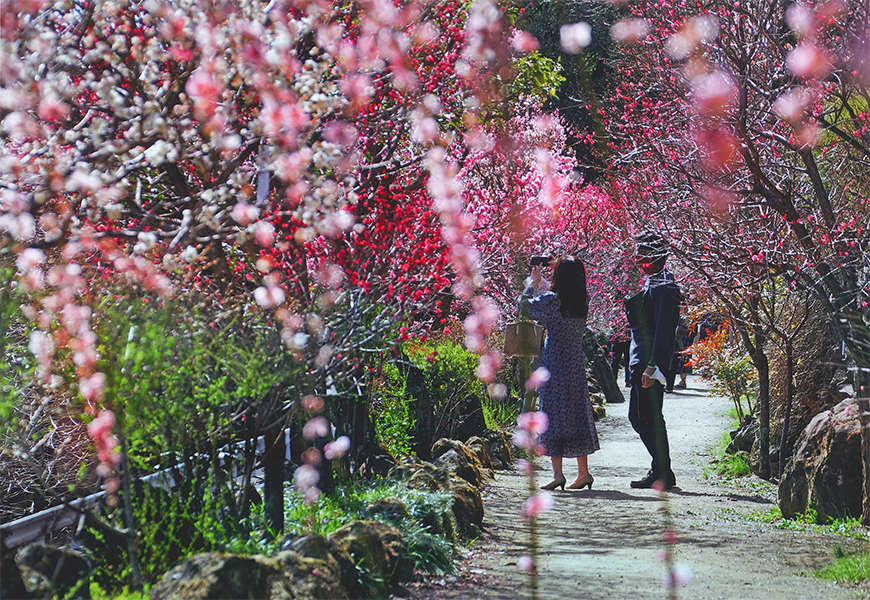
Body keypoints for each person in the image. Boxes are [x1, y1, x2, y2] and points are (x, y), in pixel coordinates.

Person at [519, 256, 600, 491]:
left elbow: (525, 308)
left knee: (553, 413)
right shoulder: (582, 298)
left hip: (554, 362)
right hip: (574, 362)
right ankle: (583, 472)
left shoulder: (553, 301)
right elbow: (558, 298)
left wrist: (531, 284)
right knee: (576, 413)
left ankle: (558, 474)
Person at [625, 232, 681, 490]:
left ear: (654, 255)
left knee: (648, 417)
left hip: (650, 363)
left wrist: (652, 365)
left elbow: (664, 329)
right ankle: (661, 470)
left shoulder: (665, 286)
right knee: (640, 417)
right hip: (641, 360)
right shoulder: (653, 281)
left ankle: (662, 471)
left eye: (641, 253)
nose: (636, 258)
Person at [610, 322, 632, 388]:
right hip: (616, 341)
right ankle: (614, 380)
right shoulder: (614, 313)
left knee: (628, 361)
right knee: (614, 362)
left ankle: (628, 380)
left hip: (628, 340)